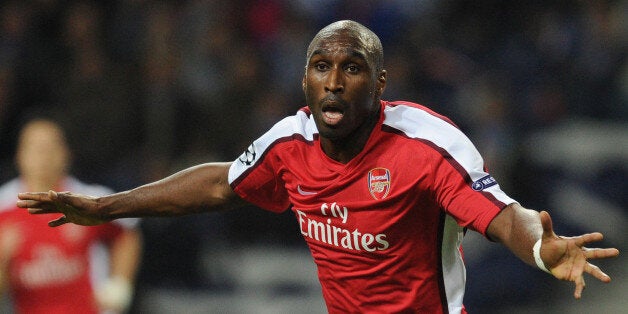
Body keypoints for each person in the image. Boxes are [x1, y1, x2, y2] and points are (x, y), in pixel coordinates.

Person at [17, 20, 619, 314]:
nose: (334, 82)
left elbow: (502, 216)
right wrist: (104, 205)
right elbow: (220, 184)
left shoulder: (429, 146)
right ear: (303, 79)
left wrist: (544, 250)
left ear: (379, 83)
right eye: (321, 67)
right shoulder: (290, 142)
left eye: (351, 68)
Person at [1, 118, 142, 314]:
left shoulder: (90, 200)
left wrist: (119, 286)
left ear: (66, 154)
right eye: (35, 147)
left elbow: (127, 235)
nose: (44, 156)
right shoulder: (3, 210)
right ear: (19, 155)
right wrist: (2, 260)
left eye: (51, 146)